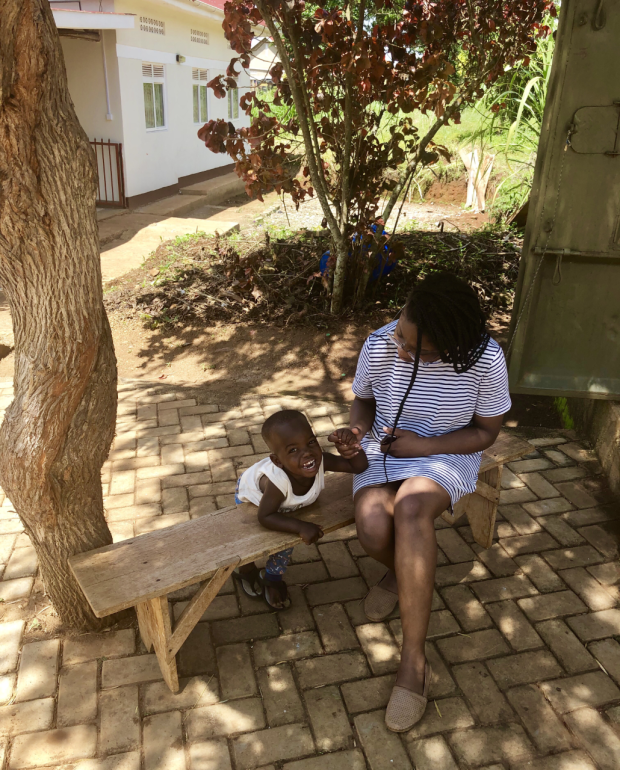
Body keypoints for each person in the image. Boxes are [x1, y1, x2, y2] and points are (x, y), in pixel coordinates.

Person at [348, 271, 511, 732]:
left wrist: (421, 446)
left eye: (419, 351)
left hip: (447, 453)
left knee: (413, 508)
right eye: (401, 333)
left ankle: (413, 663)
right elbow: (362, 401)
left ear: (455, 346)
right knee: (373, 528)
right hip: (385, 450)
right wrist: (358, 433)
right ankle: (405, 573)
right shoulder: (381, 342)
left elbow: (485, 433)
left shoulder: (485, 360)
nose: (399, 349)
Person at [234, 409, 368, 609]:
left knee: (285, 545)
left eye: (311, 442)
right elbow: (266, 516)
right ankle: (245, 570)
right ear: (278, 461)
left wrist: (351, 447)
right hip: (253, 498)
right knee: (249, 539)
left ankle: (271, 578)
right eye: (293, 450)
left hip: (282, 505)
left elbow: (358, 467)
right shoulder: (277, 483)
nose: (307, 452)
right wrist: (301, 526)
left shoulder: (320, 460)